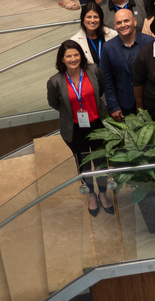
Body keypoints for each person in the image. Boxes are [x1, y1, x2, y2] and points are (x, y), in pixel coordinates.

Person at [47, 40, 116, 216]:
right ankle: (91, 194)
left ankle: (102, 193)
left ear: (81, 55)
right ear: (62, 59)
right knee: (83, 162)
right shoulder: (55, 81)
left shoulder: (93, 70)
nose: (73, 59)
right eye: (68, 56)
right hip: (75, 129)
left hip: (97, 124)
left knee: (101, 161)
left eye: (76, 54)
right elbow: (54, 103)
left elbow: (100, 88)